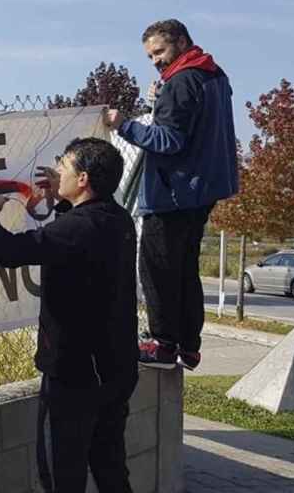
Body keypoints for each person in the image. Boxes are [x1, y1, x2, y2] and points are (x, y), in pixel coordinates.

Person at [0, 137, 138, 493]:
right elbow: (75, 241)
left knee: (63, 472)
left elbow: (11, 252)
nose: (56, 172)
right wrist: (61, 201)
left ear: (83, 179)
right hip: (116, 369)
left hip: (75, 375)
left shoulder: (78, 229)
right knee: (110, 466)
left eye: (63, 167)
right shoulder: (118, 219)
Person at [104, 19, 239, 370]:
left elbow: (168, 140)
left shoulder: (181, 82)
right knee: (185, 270)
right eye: (150, 56)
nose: (156, 61)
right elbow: (194, 123)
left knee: (157, 268)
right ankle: (189, 346)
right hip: (204, 188)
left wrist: (124, 125)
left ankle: (162, 344)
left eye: (160, 52)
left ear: (181, 41)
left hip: (173, 192)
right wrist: (161, 97)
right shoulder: (213, 76)